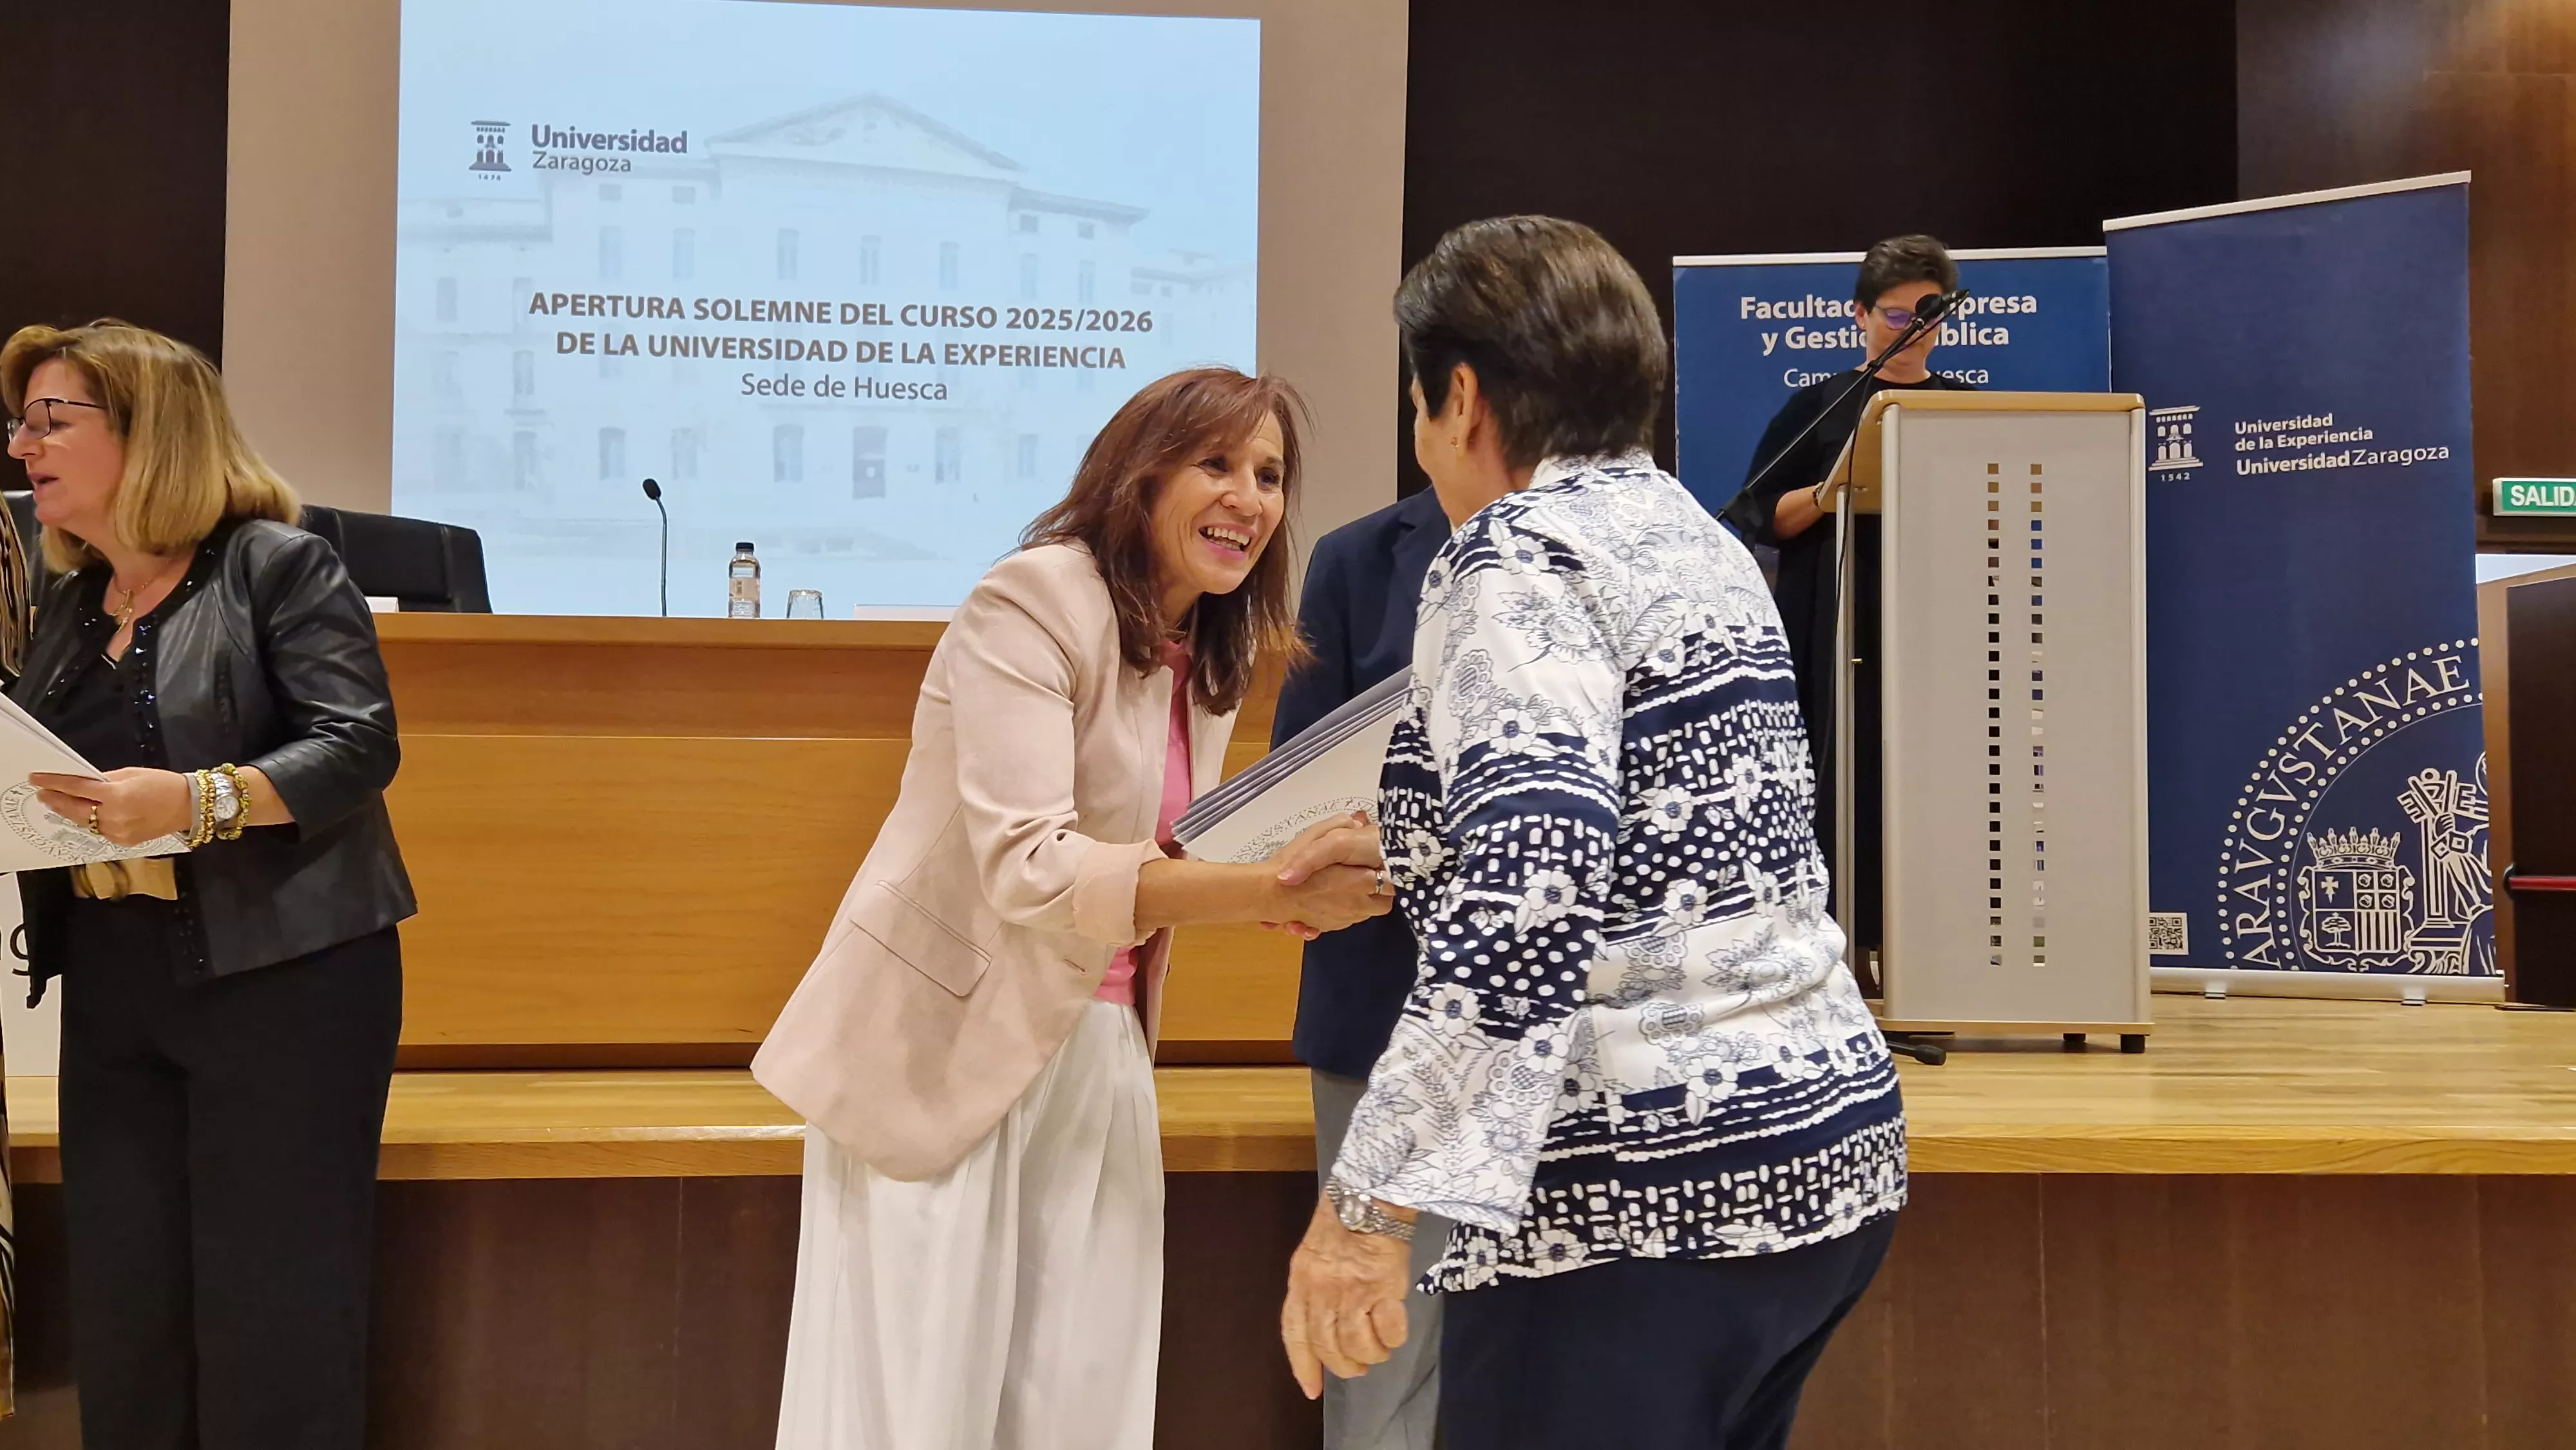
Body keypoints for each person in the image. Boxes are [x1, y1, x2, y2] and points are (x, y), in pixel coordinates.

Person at [1278, 218, 1907, 1450]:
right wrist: (1412, 853)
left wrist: (1369, 1203)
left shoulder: (1517, 551)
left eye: (1418, 403)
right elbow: (1658, 825)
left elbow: (1534, 879)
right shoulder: (1698, 540)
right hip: (1824, 1148)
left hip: (1643, 1187)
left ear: (1461, 399)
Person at [755, 366, 1394, 1450]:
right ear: (1141, 476)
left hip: (1099, 1050)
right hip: (946, 1047)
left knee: (1080, 1401)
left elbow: (1166, 859)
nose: (1251, 496)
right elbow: (1033, 868)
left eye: (1272, 475)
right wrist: (1258, 888)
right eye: (1218, 464)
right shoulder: (1034, 597)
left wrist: (1279, 878)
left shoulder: (1212, 657)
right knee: (919, 1412)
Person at [1, 319, 415, 1450]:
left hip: (282, 980)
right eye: (22, 422)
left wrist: (197, 802)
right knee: (128, 1309)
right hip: (118, 986)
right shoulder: (72, 605)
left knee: (273, 1309)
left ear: (152, 431)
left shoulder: (279, 564)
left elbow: (357, 745)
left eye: (53, 419)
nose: (23, 444)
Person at [1722, 236, 1973, 948]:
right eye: (1896, 315)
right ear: (1858, 315)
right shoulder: (1820, 405)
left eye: (1929, 312)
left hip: (1936, 629)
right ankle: (1827, 944)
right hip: (1831, 625)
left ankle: (1927, 950)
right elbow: (1757, 515)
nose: (1914, 328)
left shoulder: (1965, 408)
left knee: (1932, 784)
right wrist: (1835, 491)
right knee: (1837, 781)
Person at [1273, 482, 1450, 1449]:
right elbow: (1296, 797)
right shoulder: (1359, 559)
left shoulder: (1613, 555)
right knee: (1382, 1358)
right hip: (1384, 1004)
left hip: (1565, 1028)